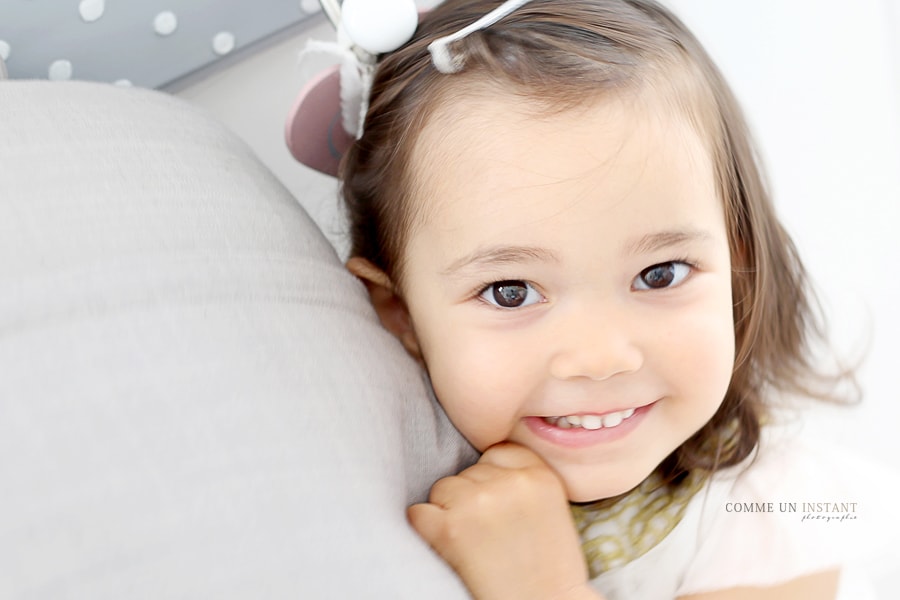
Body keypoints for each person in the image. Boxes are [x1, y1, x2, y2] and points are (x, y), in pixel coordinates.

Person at [287, 1, 893, 598]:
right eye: (511, 292)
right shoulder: (395, 470)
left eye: (660, 274)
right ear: (399, 312)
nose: (601, 357)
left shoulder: (790, 509)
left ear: (734, 263)